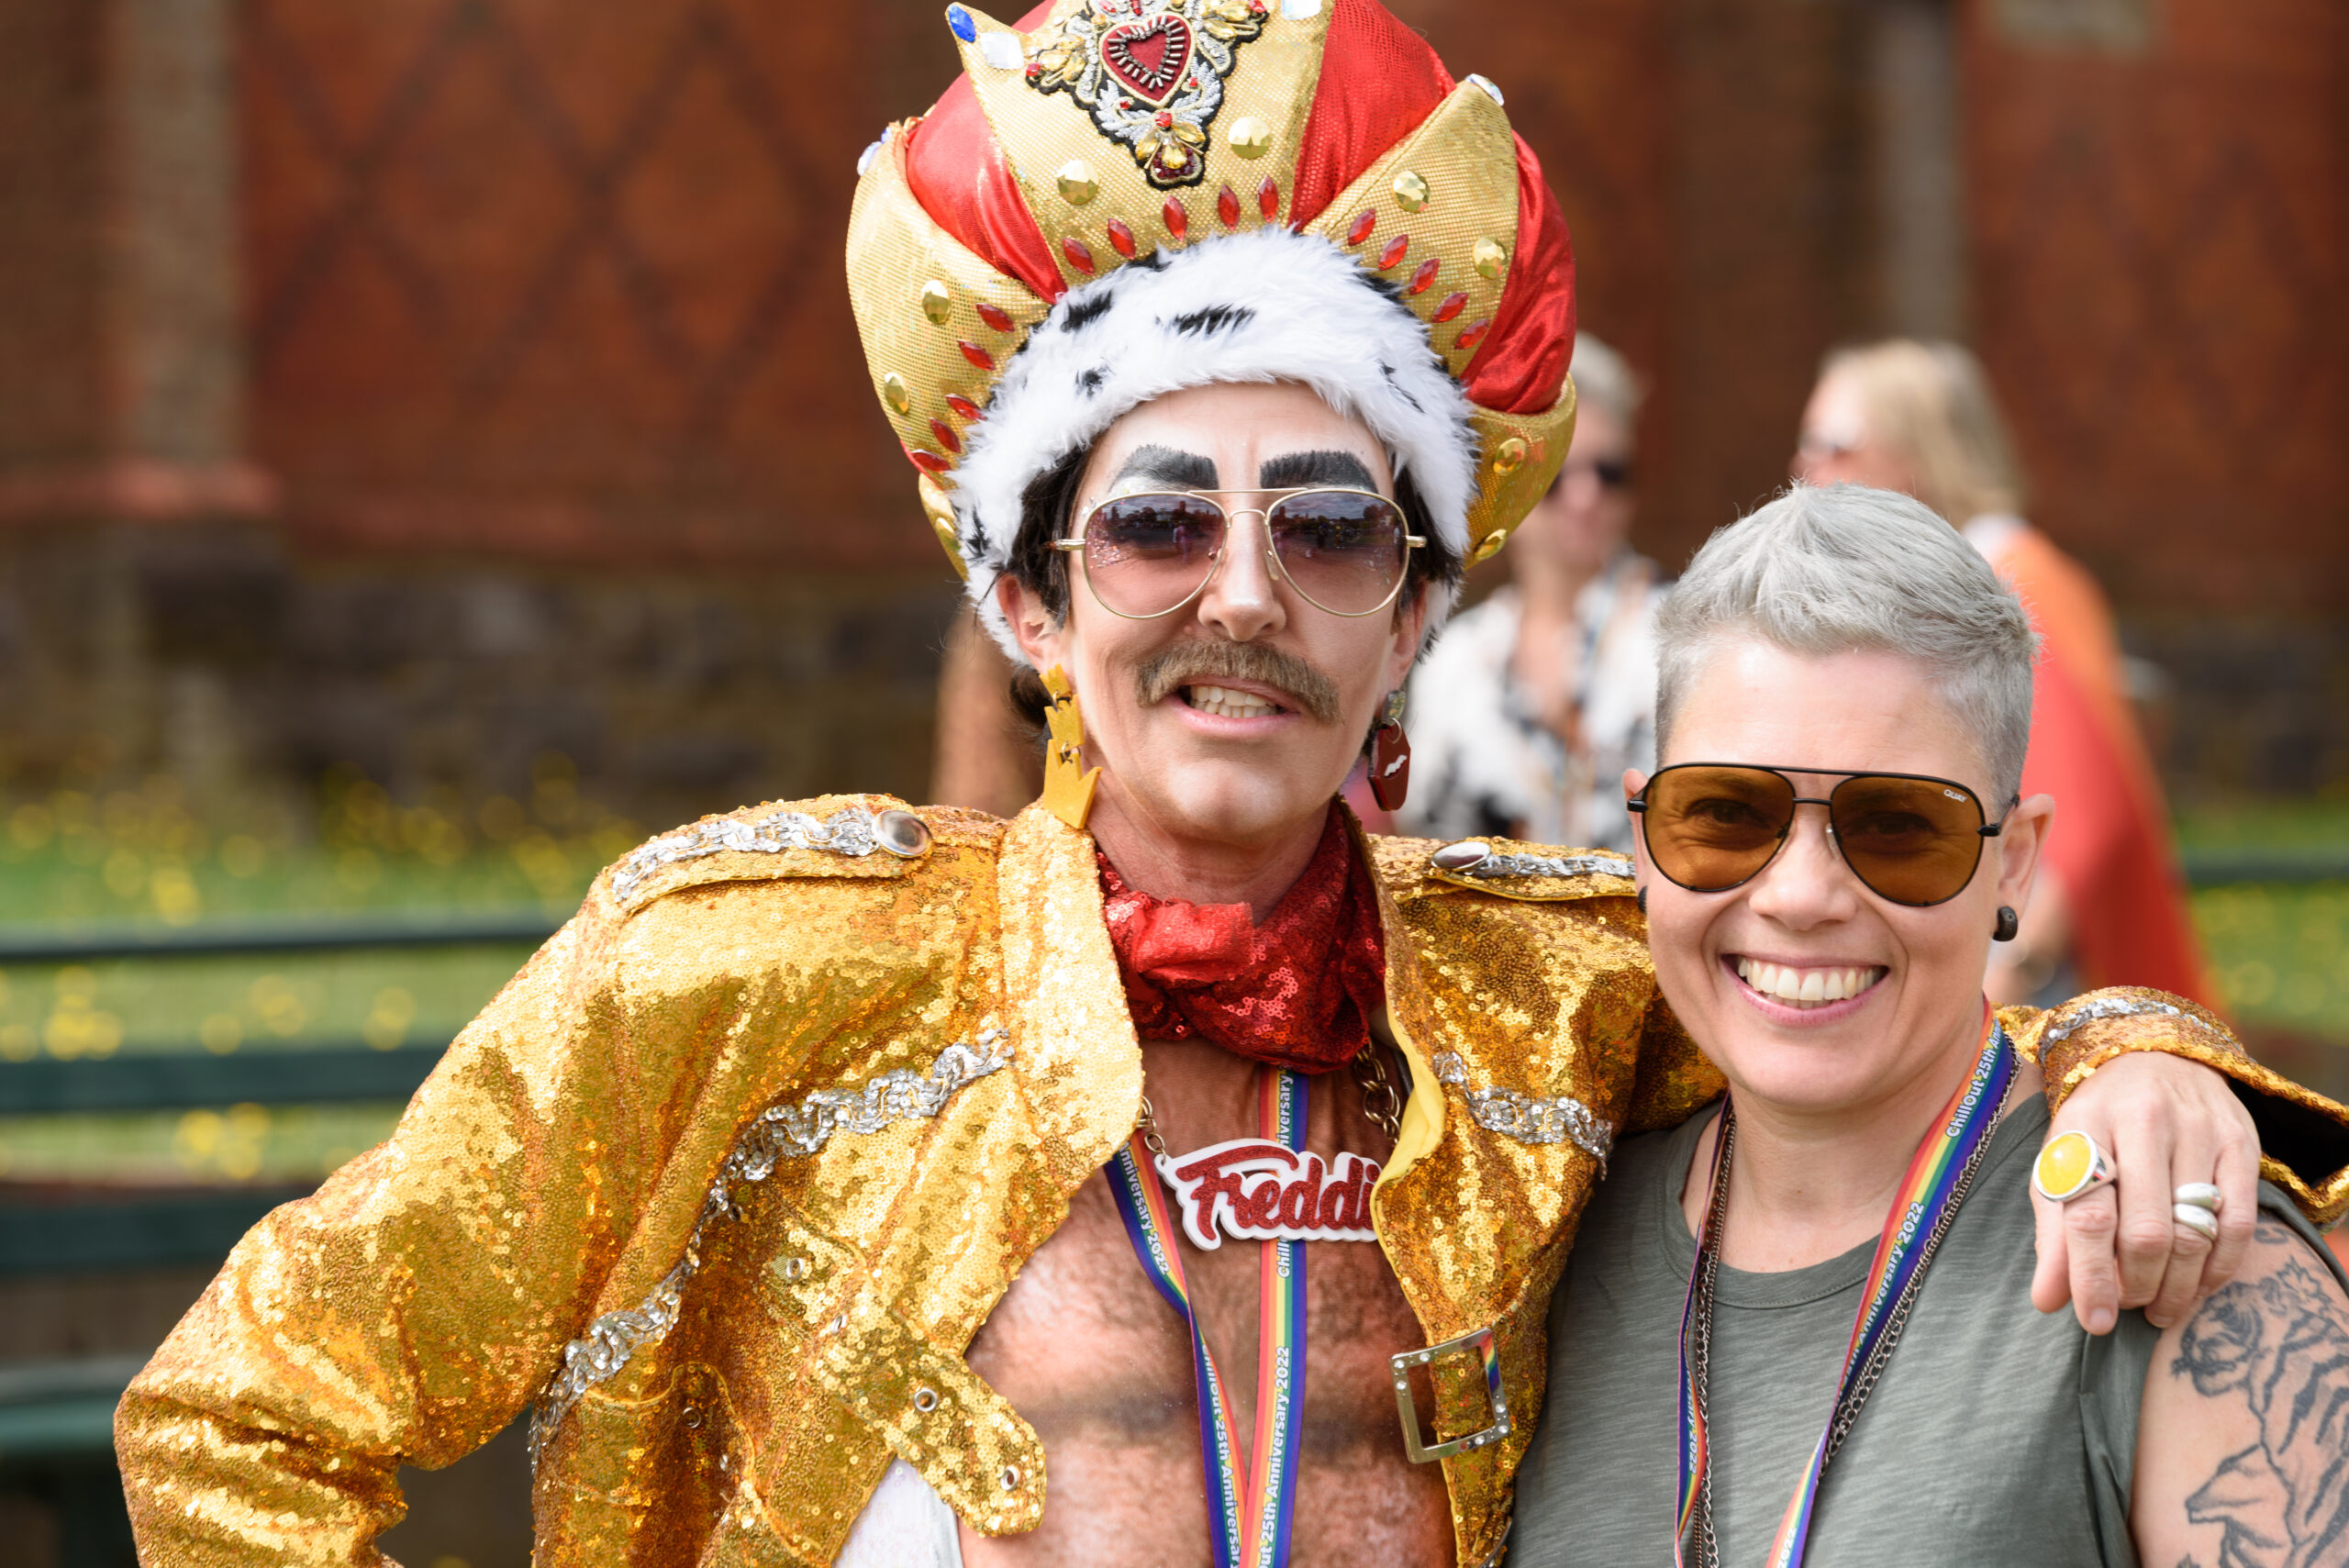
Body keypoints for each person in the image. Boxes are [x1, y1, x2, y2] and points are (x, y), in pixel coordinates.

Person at [114, 9, 2348, 1566]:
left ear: (1412, 616)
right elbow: (241, 1422)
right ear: (1023, 594)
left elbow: (1855, 970)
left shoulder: (1552, 998)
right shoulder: (743, 969)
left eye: (1331, 528)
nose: (1243, 595)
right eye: (1159, 521)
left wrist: (2139, 1055)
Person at [1508, 484, 2349, 1566]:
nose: (1800, 893)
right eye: (1724, 813)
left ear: (2012, 859)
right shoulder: (1535, 1235)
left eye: (1898, 826)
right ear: (1640, 835)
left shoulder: (2179, 1258)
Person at [1793, 339, 2211, 1008]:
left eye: (1833, 441)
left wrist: (2011, 963)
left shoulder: (2016, 576)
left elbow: (2085, 809)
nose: (1805, 464)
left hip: (2052, 986)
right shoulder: (1956, 578)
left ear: (1919, 451)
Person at [1400, 333, 1664, 852]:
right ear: (1506, 485)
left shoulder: (1686, 635)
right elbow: (1425, 835)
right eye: (1559, 474)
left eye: (1608, 473)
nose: (1586, 496)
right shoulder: (1458, 657)